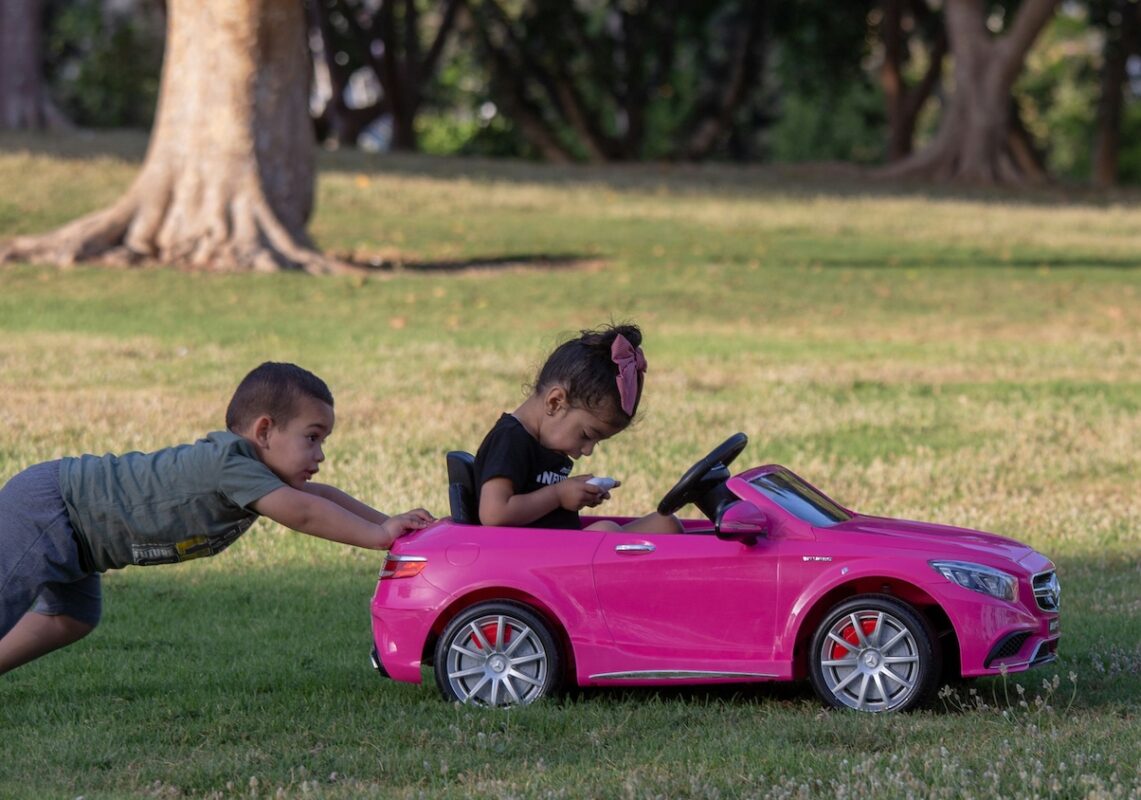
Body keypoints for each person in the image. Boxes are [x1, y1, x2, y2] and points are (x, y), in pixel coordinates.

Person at [0, 362, 434, 676]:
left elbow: (320, 496)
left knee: (72, 617)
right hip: (51, 511)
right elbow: (304, 512)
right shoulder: (231, 463)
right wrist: (377, 536)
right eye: (312, 437)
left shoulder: (254, 473)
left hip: (80, 542)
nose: (320, 454)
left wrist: (389, 523)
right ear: (264, 431)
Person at [474, 323, 681, 533]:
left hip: (560, 550)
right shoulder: (510, 439)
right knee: (606, 531)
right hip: (529, 557)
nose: (588, 450)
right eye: (587, 435)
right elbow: (494, 514)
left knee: (665, 523)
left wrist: (574, 493)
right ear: (555, 403)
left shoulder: (547, 441)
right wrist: (557, 495)